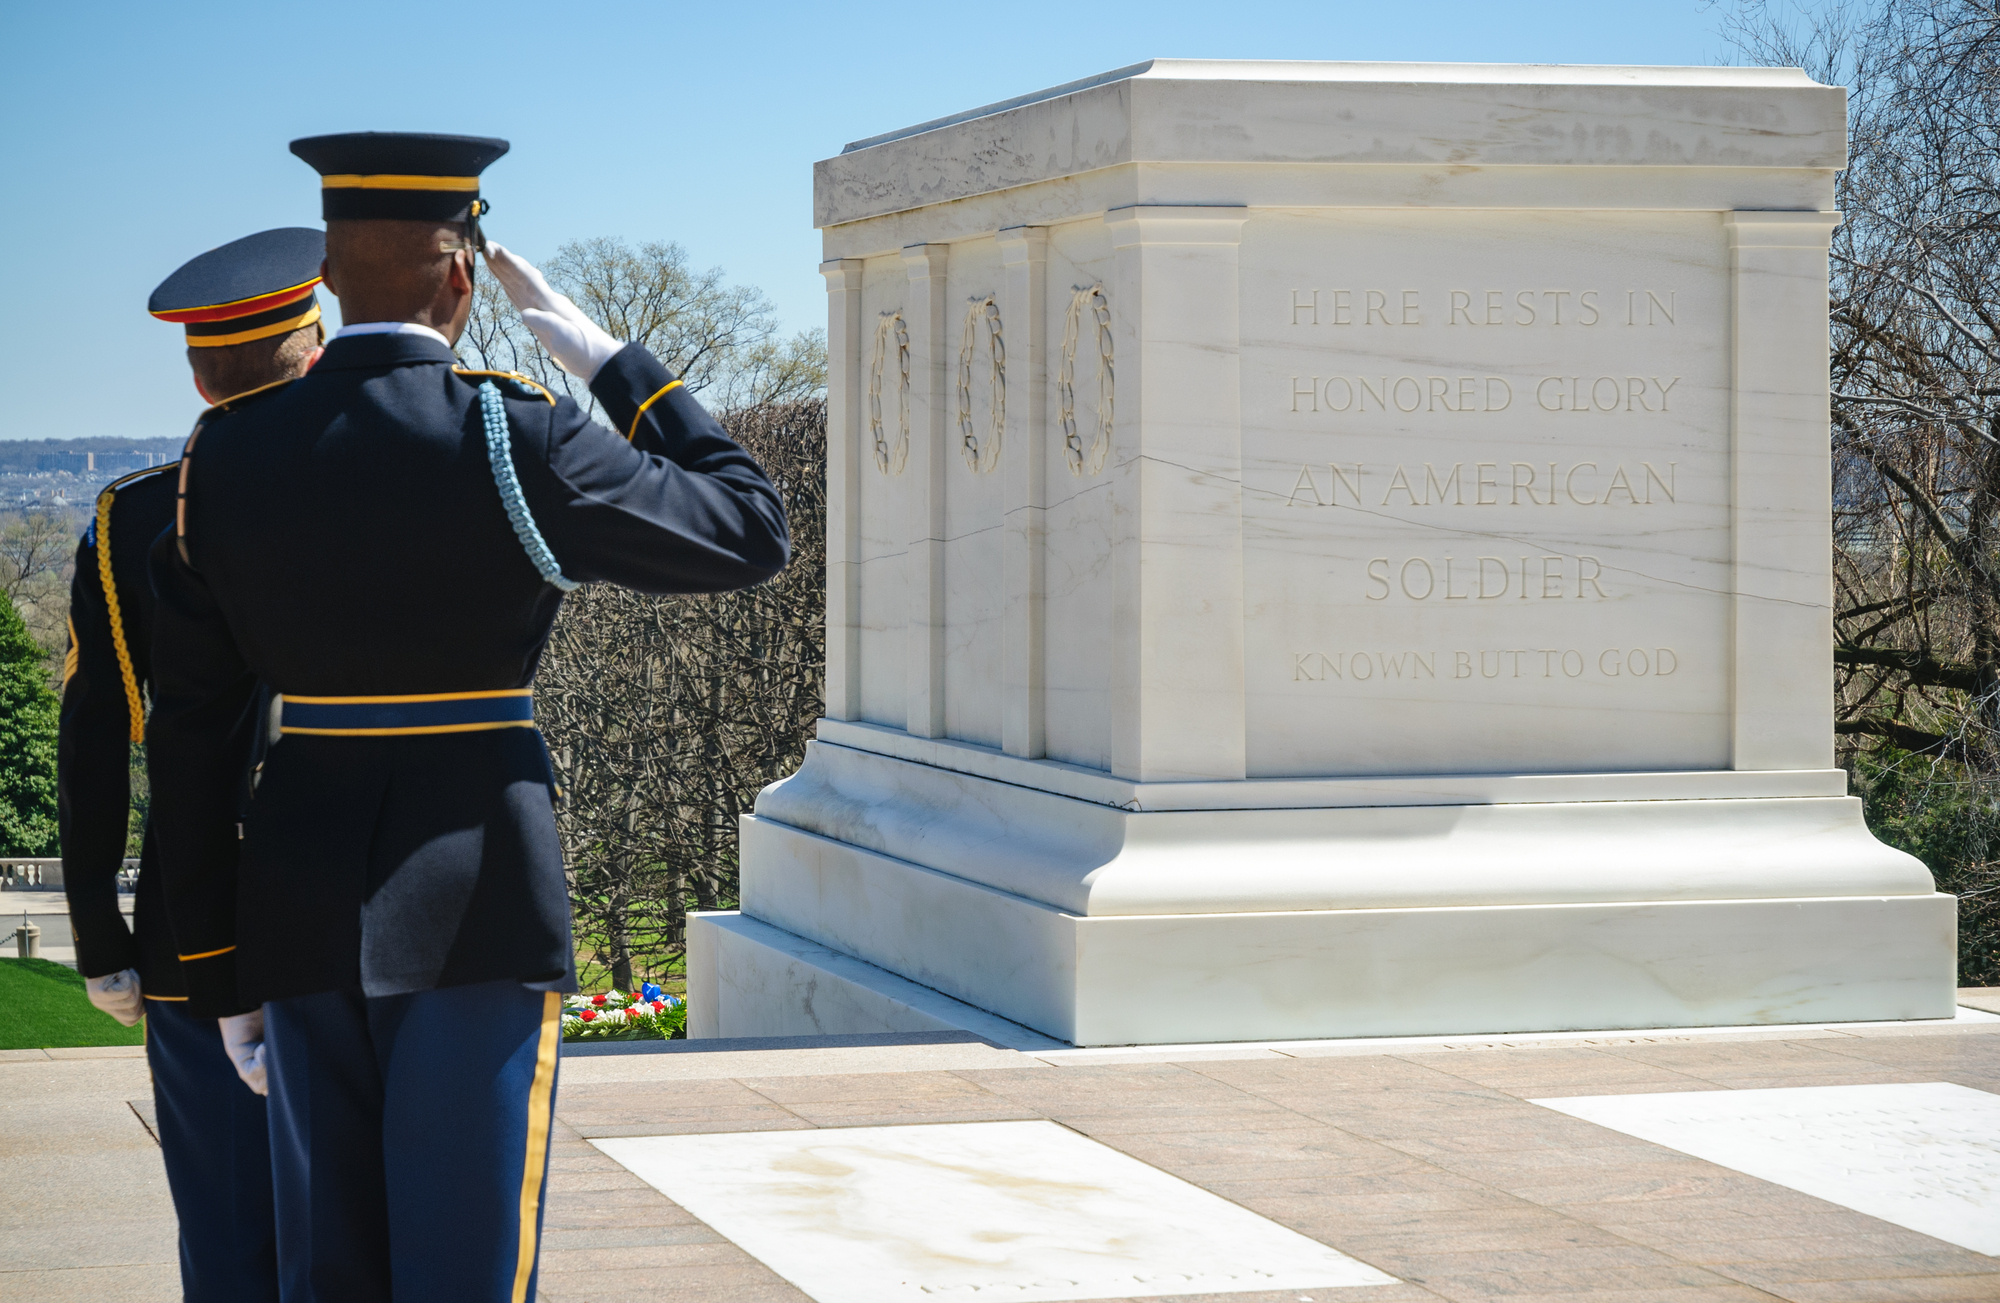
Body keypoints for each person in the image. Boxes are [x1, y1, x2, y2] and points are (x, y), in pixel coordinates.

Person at [145, 132, 789, 1303]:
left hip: (292, 902)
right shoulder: (513, 432)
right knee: (463, 1267)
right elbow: (748, 528)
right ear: (464, 276)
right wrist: (609, 361)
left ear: (329, 276)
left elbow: (188, 740)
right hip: (477, 895)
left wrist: (217, 966)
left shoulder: (221, 458)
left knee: (325, 1270)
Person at [60, 226, 327, 1302]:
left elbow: (96, 738)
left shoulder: (132, 518)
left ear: (198, 366)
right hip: (353, 910)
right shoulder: (382, 487)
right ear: (312, 350)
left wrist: (98, 929)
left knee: (229, 1243)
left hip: (190, 928)